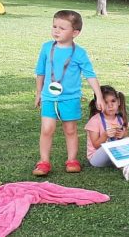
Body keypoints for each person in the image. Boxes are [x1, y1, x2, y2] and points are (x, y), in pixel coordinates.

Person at [32, 10, 104, 176]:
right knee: (47, 129)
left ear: (75, 33)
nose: (56, 31)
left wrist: (98, 95)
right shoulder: (46, 48)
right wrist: (39, 93)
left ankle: (72, 160)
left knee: (70, 130)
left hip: (70, 98)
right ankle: (43, 162)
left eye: (62, 28)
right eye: (54, 26)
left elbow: (90, 75)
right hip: (49, 97)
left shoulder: (79, 53)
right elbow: (40, 71)